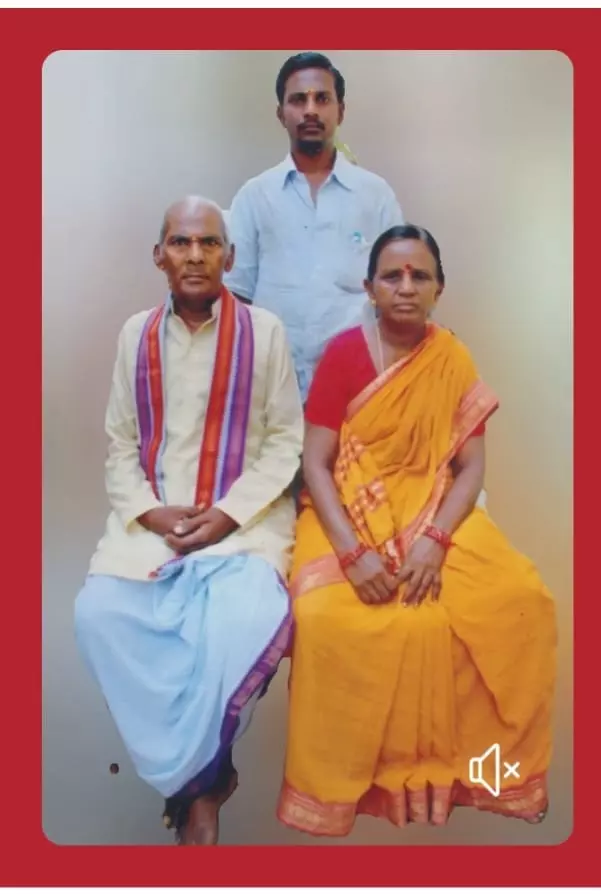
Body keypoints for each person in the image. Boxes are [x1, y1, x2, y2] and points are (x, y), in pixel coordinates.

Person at [277, 224, 557, 836]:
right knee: (328, 618)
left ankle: (477, 777)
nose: (406, 287)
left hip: (433, 505)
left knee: (522, 601)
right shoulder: (345, 354)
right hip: (347, 508)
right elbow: (315, 463)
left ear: (439, 288)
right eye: (392, 276)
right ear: (370, 288)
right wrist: (353, 554)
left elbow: (471, 466)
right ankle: (345, 786)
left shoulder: (451, 356)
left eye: (419, 276)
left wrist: (435, 540)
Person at [74, 197, 304, 845]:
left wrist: (227, 516)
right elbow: (120, 442)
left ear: (229, 257)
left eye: (209, 243)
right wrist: (151, 510)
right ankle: (199, 779)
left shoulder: (266, 332)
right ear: (159, 256)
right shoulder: (134, 335)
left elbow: (285, 441)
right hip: (155, 521)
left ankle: (197, 794)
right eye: (181, 242)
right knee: (98, 616)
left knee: (241, 620)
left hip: (244, 522)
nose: (195, 255)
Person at [225, 51, 404, 400]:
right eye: (298, 100)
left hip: (360, 388)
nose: (310, 110)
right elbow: (236, 296)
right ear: (281, 114)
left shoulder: (375, 195)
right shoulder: (255, 196)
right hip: (272, 390)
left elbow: (398, 287)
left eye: (322, 99)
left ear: (341, 110)